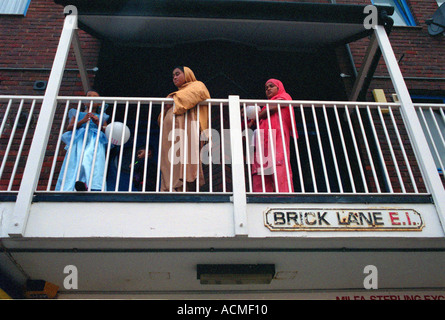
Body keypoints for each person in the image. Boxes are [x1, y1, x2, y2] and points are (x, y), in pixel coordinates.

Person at [158, 66, 210, 192]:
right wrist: (165, 109)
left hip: (187, 128)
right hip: (169, 133)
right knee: (169, 159)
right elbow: (160, 119)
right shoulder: (177, 94)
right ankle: (169, 188)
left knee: (185, 158)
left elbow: (196, 94)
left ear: (187, 74)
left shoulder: (197, 85)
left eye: (177, 74)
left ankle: (183, 189)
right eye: (173, 76)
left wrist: (172, 98)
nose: (174, 77)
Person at [55, 90, 109, 191]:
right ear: (84, 101)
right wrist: (82, 121)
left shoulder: (102, 117)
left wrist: (97, 123)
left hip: (94, 140)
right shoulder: (78, 114)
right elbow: (69, 127)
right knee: (77, 160)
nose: (91, 98)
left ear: (99, 104)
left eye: (95, 97)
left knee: (89, 160)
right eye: (89, 96)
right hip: (80, 140)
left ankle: (89, 184)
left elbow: (106, 130)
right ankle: (73, 184)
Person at [250, 79, 297, 192]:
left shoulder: (284, 96)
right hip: (264, 141)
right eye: (266, 88)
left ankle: (284, 197)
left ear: (278, 88)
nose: (268, 89)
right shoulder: (266, 106)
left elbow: (272, 109)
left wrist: (257, 117)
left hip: (277, 138)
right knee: (261, 170)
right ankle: (263, 198)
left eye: (271, 86)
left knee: (279, 167)